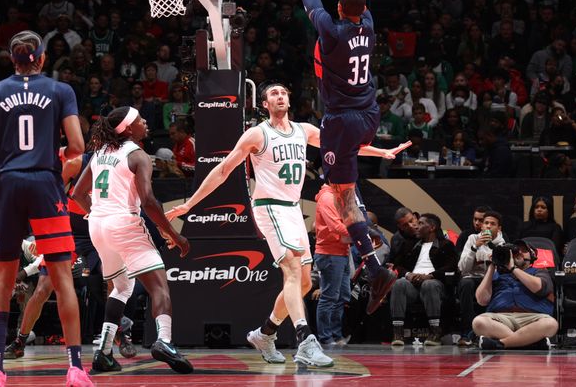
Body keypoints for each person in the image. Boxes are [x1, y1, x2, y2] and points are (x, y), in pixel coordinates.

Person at [167, 84, 407, 367]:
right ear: (265, 104)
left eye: (283, 93)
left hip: (292, 209)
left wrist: (382, 153)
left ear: (289, 100)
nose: (280, 96)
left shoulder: (304, 130)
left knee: (304, 282)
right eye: (273, 94)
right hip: (269, 207)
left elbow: (345, 147)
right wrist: (190, 204)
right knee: (292, 269)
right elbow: (222, 171)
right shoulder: (257, 134)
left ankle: (265, 332)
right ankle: (306, 341)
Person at [0, 30, 90, 387]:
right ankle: (75, 369)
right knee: (62, 278)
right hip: (45, 184)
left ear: (12, 59)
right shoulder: (60, 91)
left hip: (7, 184)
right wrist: (54, 158)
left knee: (3, 280)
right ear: (42, 58)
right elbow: (78, 146)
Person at [298, 0, 400, 315]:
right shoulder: (368, 25)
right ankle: (371, 258)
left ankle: (373, 265)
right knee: (345, 190)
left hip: (341, 120)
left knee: (341, 196)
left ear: (339, 8)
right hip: (369, 113)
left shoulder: (332, 31)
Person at [71, 106, 193, 374]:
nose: (145, 121)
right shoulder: (138, 156)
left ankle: (103, 352)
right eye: (139, 119)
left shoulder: (100, 153)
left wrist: (96, 211)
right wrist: (174, 235)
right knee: (159, 286)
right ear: (127, 129)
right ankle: (164, 341)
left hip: (98, 226)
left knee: (122, 287)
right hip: (123, 223)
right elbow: (148, 201)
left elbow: (77, 193)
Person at [473, 241, 558, 349]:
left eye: (524, 250)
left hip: (532, 318)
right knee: (478, 322)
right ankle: (530, 343)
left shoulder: (539, 271)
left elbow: (539, 288)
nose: (519, 252)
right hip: (500, 319)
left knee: (550, 324)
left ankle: (501, 344)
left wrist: (513, 269)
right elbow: (481, 300)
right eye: (516, 251)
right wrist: (491, 267)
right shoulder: (497, 274)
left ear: (532, 256)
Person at [389, 213, 458, 346]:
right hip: (413, 284)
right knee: (399, 283)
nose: (416, 226)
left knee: (429, 284)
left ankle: (435, 332)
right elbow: (397, 265)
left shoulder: (446, 245)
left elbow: (452, 268)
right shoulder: (410, 245)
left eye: (421, 224)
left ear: (432, 227)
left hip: (436, 284)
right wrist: (408, 274)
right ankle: (398, 333)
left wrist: (431, 275)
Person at [457, 211, 506, 346]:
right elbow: (463, 268)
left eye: (492, 224)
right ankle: (467, 332)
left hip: (491, 279)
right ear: (482, 226)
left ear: (499, 228)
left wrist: (492, 251)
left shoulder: (502, 244)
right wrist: (475, 248)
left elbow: (502, 270)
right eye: (486, 223)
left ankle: (488, 332)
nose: (488, 226)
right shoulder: (472, 238)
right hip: (472, 278)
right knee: (465, 283)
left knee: (500, 284)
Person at [313, 184, 352, 346]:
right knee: (329, 297)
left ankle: (336, 335)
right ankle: (325, 337)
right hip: (330, 253)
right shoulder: (328, 198)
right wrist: (360, 233)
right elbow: (336, 226)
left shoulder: (339, 196)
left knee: (342, 296)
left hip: (341, 252)